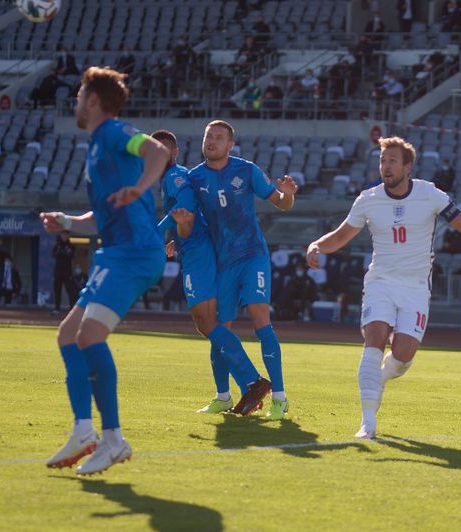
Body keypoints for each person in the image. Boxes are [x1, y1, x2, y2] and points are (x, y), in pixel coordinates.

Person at [306, 136, 461, 439]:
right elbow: (341, 235)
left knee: (402, 356)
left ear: (408, 167)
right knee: (374, 340)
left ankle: (379, 379)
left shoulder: (430, 194)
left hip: (415, 287)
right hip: (380, 281)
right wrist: (316, 246)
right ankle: (367, 422)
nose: (386, 166)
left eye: (392, 161)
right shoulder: (368, 199)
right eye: (382, 161)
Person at [38, 66, 171, 475]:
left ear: (93, 100)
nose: (77, 102)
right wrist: (68, 221)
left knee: (89, 336)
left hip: (135, 252)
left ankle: (113, 440)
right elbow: (103, 214)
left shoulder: (114, 132)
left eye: (80, 95)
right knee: (68, 336)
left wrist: (141, 187)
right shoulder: (97, 145)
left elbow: (158, 152)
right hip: (115, 253)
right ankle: (83, 431)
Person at [182, 120, 299, 421]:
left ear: (230, 145)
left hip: (252, 256)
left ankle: (280, 398)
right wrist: (176, 240)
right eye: (208, 136)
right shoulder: (194, 178)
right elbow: (190, 219)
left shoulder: (246, 170)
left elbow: (281, 203)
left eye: (219, 138)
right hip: (222, 263)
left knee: (261, 322)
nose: (212, 141)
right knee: (219, 328)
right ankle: (223, 397)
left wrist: (288, 194)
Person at [153, 129, 271, 416]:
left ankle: (252, 382)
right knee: (212, 324)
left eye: (164, 149)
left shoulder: (173, 176)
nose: (158, 154)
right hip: (196, 248)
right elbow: (192, 211)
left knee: (206, 323)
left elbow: (186, 206)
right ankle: (237, 392)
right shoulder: (177, 175)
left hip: (198, 253)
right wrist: (175, 236)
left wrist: (155, 232)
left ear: (174, 153)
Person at [52, 231, 78, 315]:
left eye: (66, 234)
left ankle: (72, 309)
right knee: (57, 290)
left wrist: (63, 253)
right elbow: (54, 254)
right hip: (58, 271)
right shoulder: (57, 245)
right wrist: (63, 253)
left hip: (67, 271)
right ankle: (57, 308)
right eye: (63, 234)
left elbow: (71, 255)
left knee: (70, 290)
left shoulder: (71, 246)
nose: (65, 236)